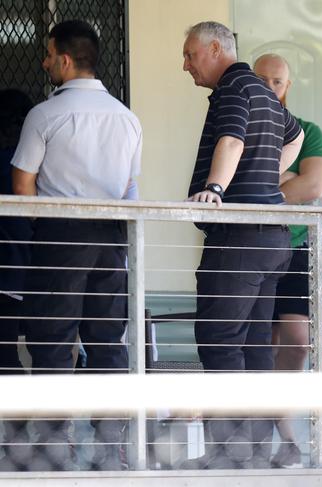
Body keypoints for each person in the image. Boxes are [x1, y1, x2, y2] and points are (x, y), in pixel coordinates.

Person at [11, 20, 142, 471]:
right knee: (108, 342)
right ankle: (110, 447)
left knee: (52, 340)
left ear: (65, 60)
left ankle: (54, 445)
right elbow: (129, 186)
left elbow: (22, 182)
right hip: (112, 239)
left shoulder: (44, 115)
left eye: (48, 55)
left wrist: (38, 223)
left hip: (58, 235)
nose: (45, 62)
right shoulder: (128, 118)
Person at [181, 22, 304, 470]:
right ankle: (249, 455)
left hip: (239, 238)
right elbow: (295, 137)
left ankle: (231, 457)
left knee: (219, 340)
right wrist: (266, 176)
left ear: (216, 49)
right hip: (271, 239)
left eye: (191, 55)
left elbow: (231, 139)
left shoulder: (235, 87)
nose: (186, 64)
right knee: (253, 346)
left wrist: (216, 187)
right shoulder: (264, 92)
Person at [252, 53, 322, 469]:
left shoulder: (309, 131)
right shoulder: (238, 128)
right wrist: (286, 183)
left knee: (297, 341)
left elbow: (314, 185)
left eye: (277, 81)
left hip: (296, 248)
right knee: (258, 346)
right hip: (247, 249)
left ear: (287, 87)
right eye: (261, 80)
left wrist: (261, 186)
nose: (269, 87)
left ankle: (277, 424)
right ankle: (283, 438)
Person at [0, 89, 34, 471]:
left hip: (5, 268)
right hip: (37, 267)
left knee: (5, 352)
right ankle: (27, 434)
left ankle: (20, 429)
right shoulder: (29, 156)